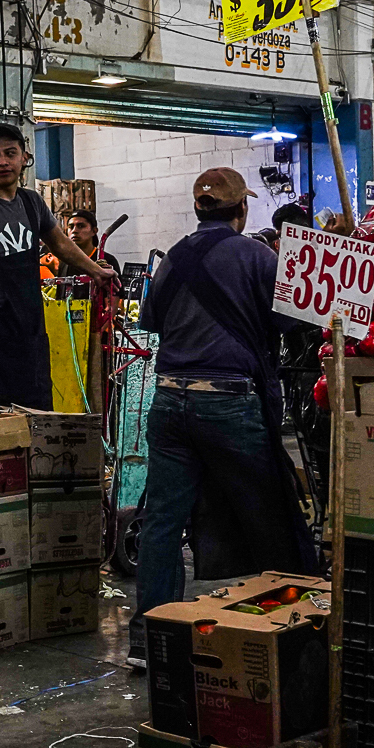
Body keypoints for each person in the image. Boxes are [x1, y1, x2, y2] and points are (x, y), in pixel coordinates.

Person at [130, 167, 317, 668]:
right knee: (269, 513)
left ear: (198, 210)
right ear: (240, 210)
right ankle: (290, 628)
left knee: (163, 523)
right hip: (228, 401)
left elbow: (150, 323)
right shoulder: (257, 255)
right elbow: (293, 319)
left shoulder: (172, 259)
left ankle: (150, 641)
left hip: (169, 402)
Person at [0, 124, 113, 408]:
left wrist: (96, 271)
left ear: (24, 157)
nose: (2, 162)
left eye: (10, 154)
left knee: (37, 402)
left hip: (31, 322)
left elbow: (60, 244)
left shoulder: (32, 202)